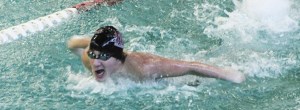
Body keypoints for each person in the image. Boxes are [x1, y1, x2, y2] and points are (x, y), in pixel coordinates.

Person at [67, 26, 245, 83]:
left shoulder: (145, 68)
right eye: (93, 54)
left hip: (156, 76)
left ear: (117, 58)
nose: (96, 62)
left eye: (103, 56)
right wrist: (89, 46)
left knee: (191, 83)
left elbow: (190, 66)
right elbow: (73, 44)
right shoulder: (90, 60)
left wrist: (230, 75)